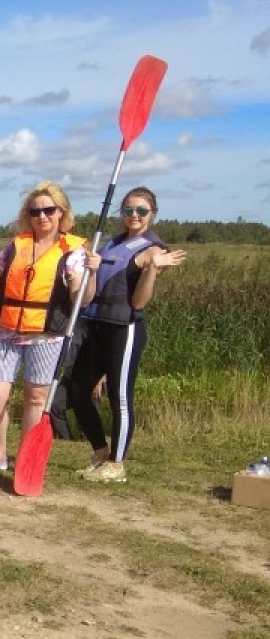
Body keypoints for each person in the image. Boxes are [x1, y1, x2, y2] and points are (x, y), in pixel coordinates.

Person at [0, 182, 100, 473]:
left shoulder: (74, 251)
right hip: (4, 332)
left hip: (46, 336)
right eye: (35, 211)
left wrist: (92, 274)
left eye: (48, 210)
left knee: (35, 398)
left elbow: (83, 299)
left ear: (61, 213)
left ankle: (26, 462)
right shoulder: (15, 246)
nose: (42, 216)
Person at [67, 187, 186, 483]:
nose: (134, 216)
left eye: (141, 211)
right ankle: (100, 453)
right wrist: (91, 269)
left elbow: (139, 302)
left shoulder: (154, 250)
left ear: (152, 214)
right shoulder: (111, 243)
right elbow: (91, 290)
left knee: (120, 398)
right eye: (129, 210)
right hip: (96, 325)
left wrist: (151, 271)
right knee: (77, 391)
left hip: (124, 328)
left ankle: (117, 465)